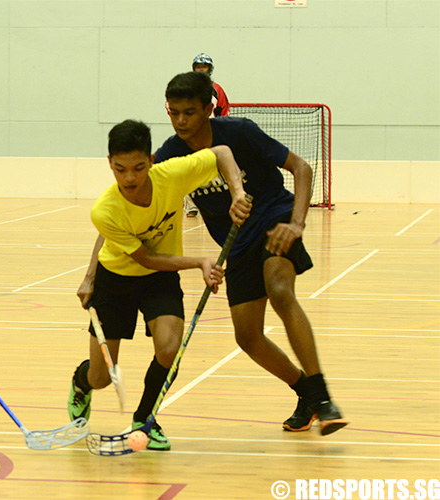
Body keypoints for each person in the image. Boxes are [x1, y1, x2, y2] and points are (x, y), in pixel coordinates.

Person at [158, 71, 347, 435]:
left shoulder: (239, 132)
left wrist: (296, 224)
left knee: (279, 290)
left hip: (274, 221)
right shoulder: (171, 153)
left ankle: (324, 398)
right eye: (174, 112)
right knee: (247, 337)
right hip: (236, 243)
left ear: (209, 109)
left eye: (190, 112)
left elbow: (301, 168)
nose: (181, 121)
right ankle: (304, 393)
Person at [68, 119, 251, 450]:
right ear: (109, 164)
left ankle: (145, 419)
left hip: (159, 280)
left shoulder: (173, 174)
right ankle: (81, 383)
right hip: (117, 279)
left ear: (151, 161)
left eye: (138, 168)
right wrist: (200, 262)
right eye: (120, 169)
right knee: (102, 378)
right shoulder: (105, 210)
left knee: (169, 348)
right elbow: (147, 259)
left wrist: (237, 192)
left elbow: (222, 152)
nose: (130, 178)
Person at [183, 53, 231, 218]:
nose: (201, 70)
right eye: (198, 67)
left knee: (219, 169)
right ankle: (191, 207)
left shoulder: (217, 90)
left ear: (209, 70)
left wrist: (221, 131)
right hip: (191, 135)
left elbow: (224, 111)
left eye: (204, 67)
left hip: (212, 136)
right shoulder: (186, 87)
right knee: (190, 170)